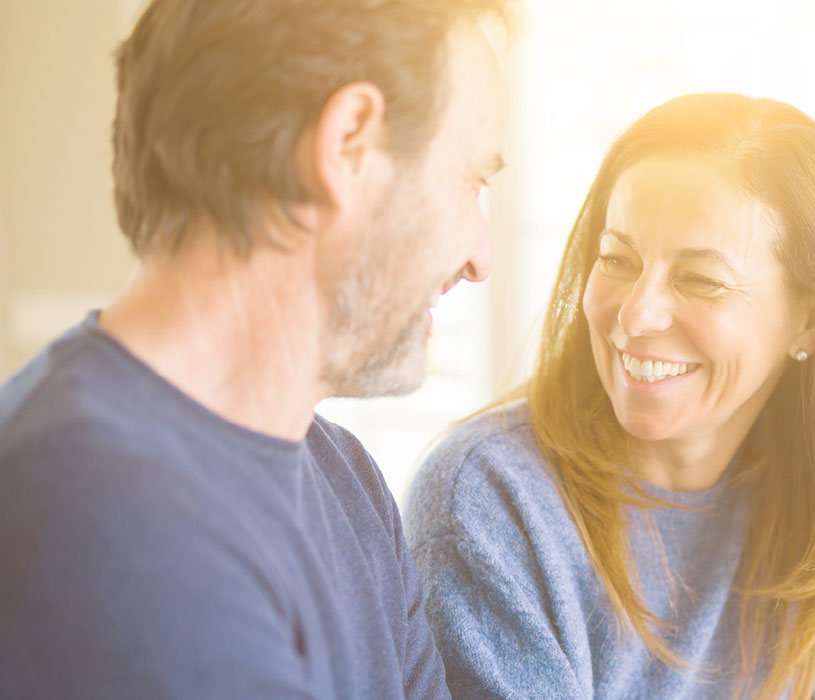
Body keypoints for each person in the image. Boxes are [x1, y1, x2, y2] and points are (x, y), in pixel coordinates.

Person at [0, 0, 513, 697]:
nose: (481, 257)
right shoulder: (101, 514)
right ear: (348, 144)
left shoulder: (346, 482)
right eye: (471, 181)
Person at [405, 93, 815, 699]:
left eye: (700, 279)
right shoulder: (490, 500)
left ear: (810, 319)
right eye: (617, 259)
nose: (637, 313)